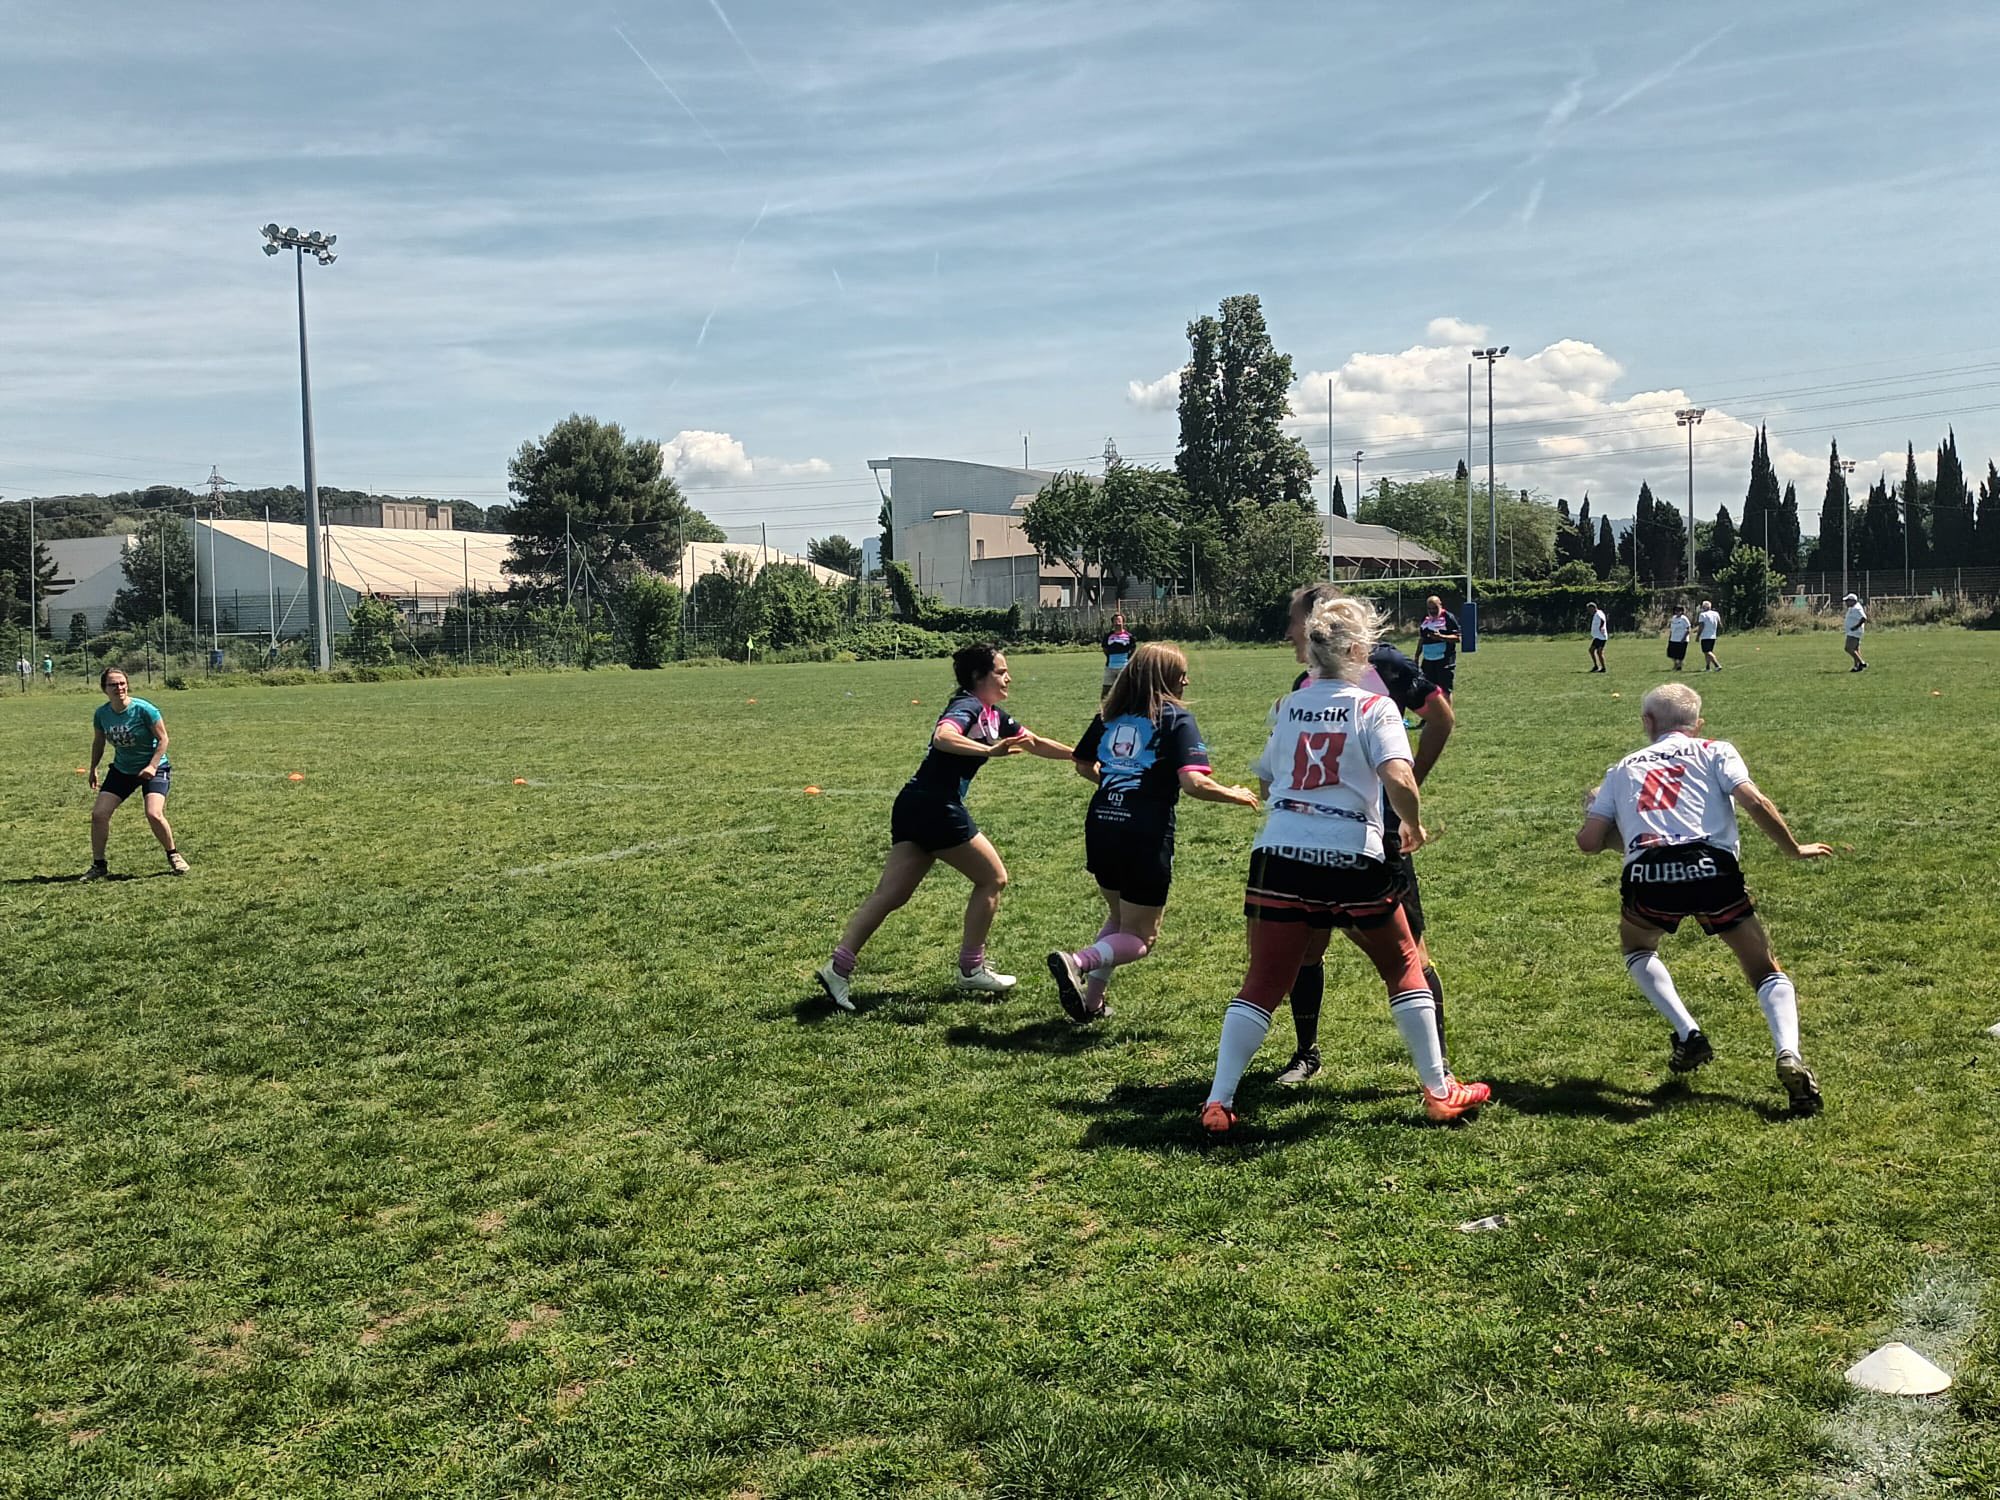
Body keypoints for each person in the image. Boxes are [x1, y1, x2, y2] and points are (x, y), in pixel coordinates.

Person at [1198, 594, 1490, 1135]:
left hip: (1279, 853)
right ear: (1359, 650)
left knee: (1262, 981)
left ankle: (1219, 1101)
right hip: (1351, 853)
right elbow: (1399, 777)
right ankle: (1439, 1091)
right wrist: (1413, 823)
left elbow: (1266, 777)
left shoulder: (1287, 706)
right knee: (1403, 965)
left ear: (1312, 650)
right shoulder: (1374, 707)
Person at [1575, 682, 1831, 1116]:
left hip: (1650, 873)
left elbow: (1588, 842)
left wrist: (1598, 814)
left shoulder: (1621, 768)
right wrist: (1794, 848)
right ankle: (1788, 1053)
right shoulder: (1716, 750)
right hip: (1712, 868)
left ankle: (1688, 1032)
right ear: (1698, 724)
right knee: (1763, 967)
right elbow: (1754, 801)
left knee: (1637, 947)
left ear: (1647, 722)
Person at [816, 644, 1074, 1010]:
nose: (1008, 678)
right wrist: (988, 751)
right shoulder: (967, 706)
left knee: (891, 894)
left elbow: (1033, 742)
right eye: (1001, 672)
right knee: (993, 878)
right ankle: (971, 968)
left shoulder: (992, 715)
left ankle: (837, 968)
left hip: (914, 804)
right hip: (937, 807)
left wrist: (1081, 755)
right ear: (978, 677)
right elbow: (943, 737)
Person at [1272, 582, 1458, 1087]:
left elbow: (1441, 718)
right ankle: (1305, 1053)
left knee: (1411, 952)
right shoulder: (1304, 684)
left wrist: (1408, 784)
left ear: (1319, 621)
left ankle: (1439, 1069)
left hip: (1380, 838)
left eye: (1294, 621)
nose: (1289, 632)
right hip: (1318, 839)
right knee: (1308, 947)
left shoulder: (1387, 665)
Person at [1047, 643, 1260, 1022]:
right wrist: (1236, 794)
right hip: (1143, 832)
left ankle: (1091, 1004)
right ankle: (1077, 961)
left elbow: (1082, 764)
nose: (1186, 681)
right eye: (1182, 675)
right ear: (1165, 678)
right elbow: (1194, 783)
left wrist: (1117, 783)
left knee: (1118, 919)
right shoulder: (1176, 719)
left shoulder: (1108, 716)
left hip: (1102, 824)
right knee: (1141, 937)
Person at [84, 668, 188, 880]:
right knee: (99, 815)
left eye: (122, 683)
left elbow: (163, 739)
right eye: (113, 684)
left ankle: (173, 854)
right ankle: (99, 865)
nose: (119, 688)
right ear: (104, 689)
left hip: (154, 768)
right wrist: (93, 768)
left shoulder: (144, 709)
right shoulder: (102, 714)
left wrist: (152, 766)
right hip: (123, 770)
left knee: (153, 813)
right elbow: (99, 742)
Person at [1415, 595, 1461, 696]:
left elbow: (1458, 638)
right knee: (1428, 690)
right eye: (1430, 608)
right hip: (1428, 660)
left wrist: (1441, 637)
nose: (1432, 611)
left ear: (1440, 605)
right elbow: (1422, 638)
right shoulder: (1425, 619)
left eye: (1435, 608)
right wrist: (1417, 656)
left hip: (1444, 660)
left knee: (1445, 690)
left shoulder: (1448, 617)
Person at [1100, 613, 1134, 695]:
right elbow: (1105, 649)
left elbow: (1132, 650)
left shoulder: (1129, 637)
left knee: (1125, 690)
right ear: (1112, 623)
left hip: (1124, 667)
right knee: (1106, 691)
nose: (1117, 622)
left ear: (1123, 622)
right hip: (1110, 667)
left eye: (1119, 620)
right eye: (1115, 620)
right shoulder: (1108, 636)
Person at [1842, 593, 1868, 671]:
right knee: (1855, 649)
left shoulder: (1857, 608)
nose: (1846, 603)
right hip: (1852, 631)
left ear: (1853, 601)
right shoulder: (1852, 608)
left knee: (1848, 648)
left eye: (1847, 601)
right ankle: (1857, 666)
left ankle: (1862, 662)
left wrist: (1856, 627)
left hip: (1854, 632)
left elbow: (1864, 618)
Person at [1697, 600, 1723, 671]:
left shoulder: (1702, 615)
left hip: (1705, 636)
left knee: (1707, 651)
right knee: (1708, 652)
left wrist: (1698, 635)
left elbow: (1701, 626)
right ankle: (1707, 667)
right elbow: (1720, 624)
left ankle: (1717, 665)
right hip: (1713, 635)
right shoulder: (1716, 613)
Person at [1666, 605, 1691, 671]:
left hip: (1681, 639)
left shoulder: (1684, 618)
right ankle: (1676, 664)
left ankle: (1678, 666)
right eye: (1676, 610)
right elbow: (1672, 629)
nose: (1677, 612)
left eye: (1679, 611)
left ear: (1682, 611)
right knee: (1670, 654)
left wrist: (1684, 638)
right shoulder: (1673, 618)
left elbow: (1688, 629)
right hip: (1673, 639)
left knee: (1680, 655)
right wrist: (1670, 637)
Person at [1587, 602, 1609, 672]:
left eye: (1590, 609)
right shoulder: (1596, 614)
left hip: (1601, 636)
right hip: (1597, 637)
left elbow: (1602, 620)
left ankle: (1603, 668)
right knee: (1591, 650)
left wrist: (1601, 627)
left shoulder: (1599, 613)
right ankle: (1596, 666)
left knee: (1599, 652)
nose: (1589, 611)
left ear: (1593, 608)